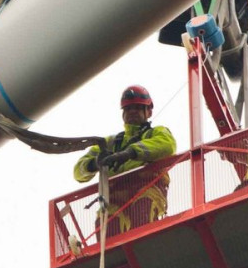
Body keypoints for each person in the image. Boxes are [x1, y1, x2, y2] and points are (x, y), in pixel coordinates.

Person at [74, 85, 177, 235]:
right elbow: (78, 172)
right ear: (123, 114)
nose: (132, 111)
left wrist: (131, 152)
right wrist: (94, 163)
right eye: (128, 109)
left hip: (146, 189)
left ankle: (143, 247)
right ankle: (113, 258)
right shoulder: (109, 143)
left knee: (142, 211)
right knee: (105, 225)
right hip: (115, 197)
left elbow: (167, 145)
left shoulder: (156, 133)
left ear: (148, 111)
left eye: (137, 107)